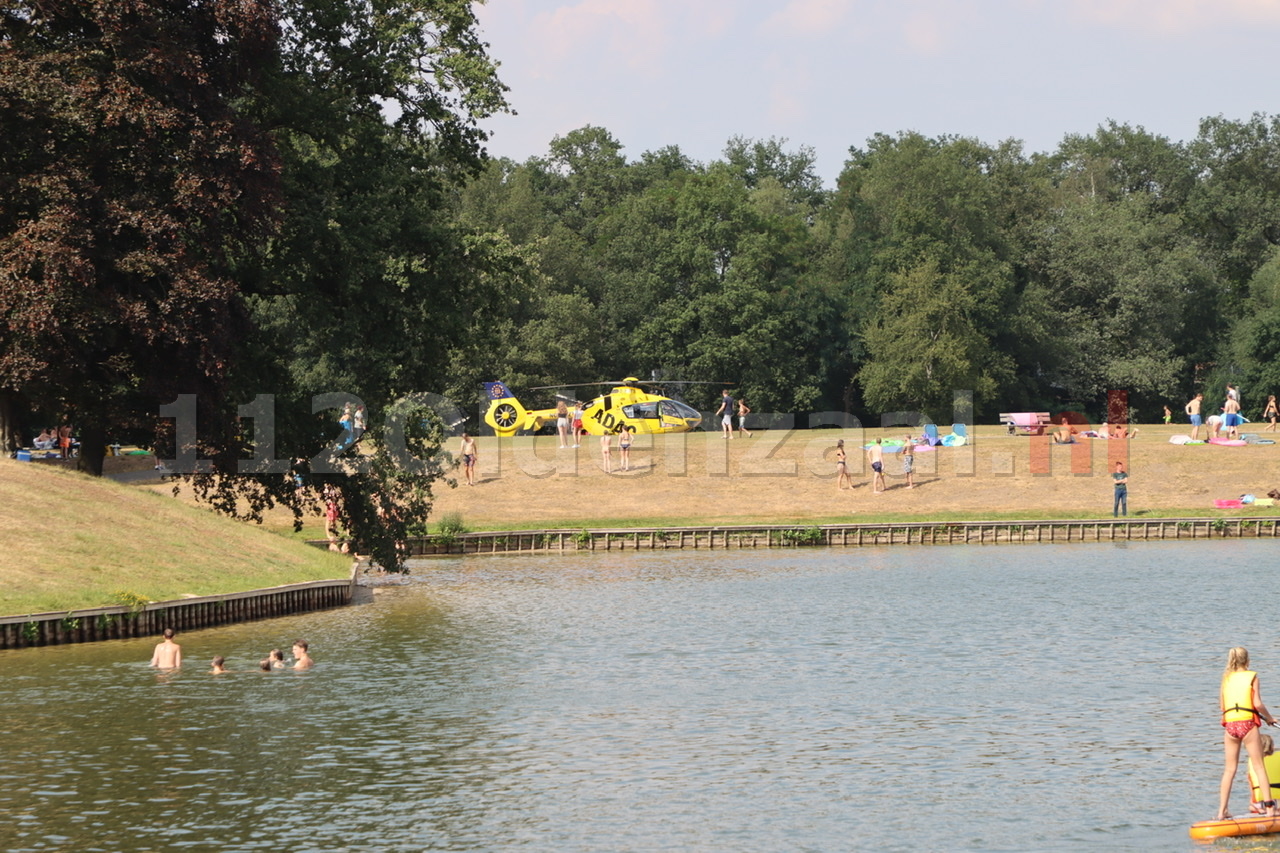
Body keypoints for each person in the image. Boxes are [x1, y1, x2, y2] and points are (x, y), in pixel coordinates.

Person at [1217, 646, 1279, 820]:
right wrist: (1270, 718)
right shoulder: (1252, 676)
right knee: (1259, 767)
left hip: (1230, 726)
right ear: (1247, 661)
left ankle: (1222, 811)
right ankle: (1269, 810)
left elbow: (1222, 706)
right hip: (1247, 724)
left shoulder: (1226, 679)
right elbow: (1257, 704)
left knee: (1229, 769)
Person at [1249, 734, 1280, 813]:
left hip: (1259, 803)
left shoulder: (1252, 760)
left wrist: (1252, 802)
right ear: (1272, 746)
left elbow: (1251, 783)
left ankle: (1260, 809)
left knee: (1251, 807)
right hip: (1277, 801)